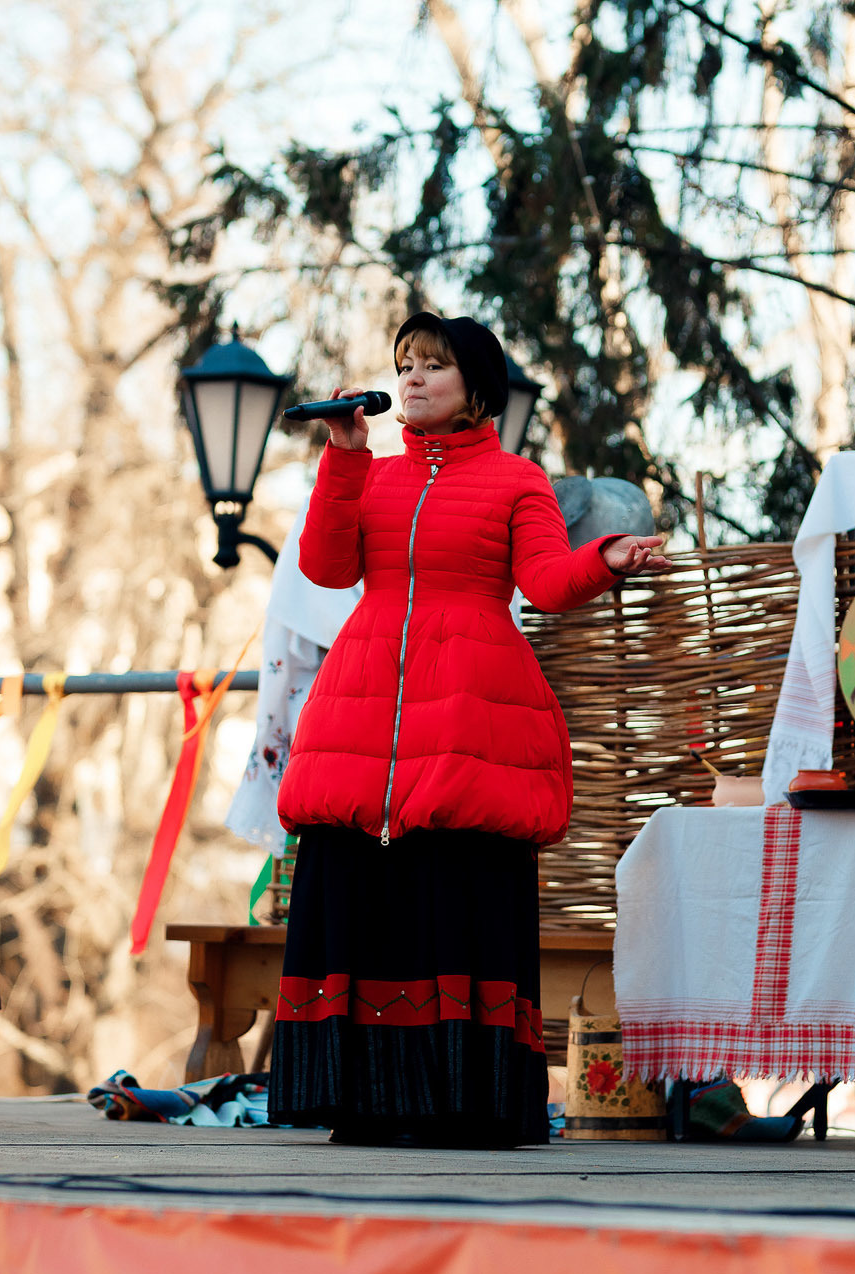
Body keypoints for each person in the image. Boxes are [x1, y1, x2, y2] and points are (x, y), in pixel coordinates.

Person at [269, 312, 670, 1148]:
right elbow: (327, 567)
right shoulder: (369, 473)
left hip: (471, 696)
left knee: (453, 884)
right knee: (358, 880)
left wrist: (607, 560)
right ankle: (363, 1095)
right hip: (367, 695)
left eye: (434, 367)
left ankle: (464, 1098)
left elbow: (547, 583)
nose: (413, 379)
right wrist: (343, 459)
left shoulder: (517, 479)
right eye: (405, 364)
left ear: (476, 389)